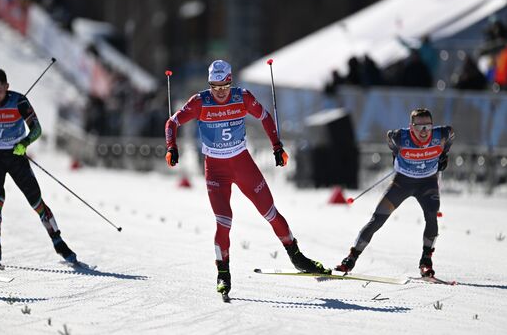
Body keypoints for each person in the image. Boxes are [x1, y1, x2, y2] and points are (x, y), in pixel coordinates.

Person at [164, 60, 329, 297]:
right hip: (216, 170)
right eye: (215, 87)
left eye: (224, 86)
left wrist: (277, 147)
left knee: (270, 212)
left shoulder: (242, 97)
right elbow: (172, 122)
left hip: (243, 165)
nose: (220, 92)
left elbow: (265, 117)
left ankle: (297, 256)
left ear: (231, 81)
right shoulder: (200, 101)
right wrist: (172, 147)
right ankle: (223, 273)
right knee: (224, 222)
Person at [0, 69, 77, 266]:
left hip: (16, 155)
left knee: (35, 200)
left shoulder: (19, 102)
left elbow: (37, 129)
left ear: (7, 86)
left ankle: (58, 241)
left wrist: (25, 143)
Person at [336, 108, 454, 278]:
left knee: (431, 215)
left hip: (427, 183)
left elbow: (450, 135)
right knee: (377, 219)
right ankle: (351, 258)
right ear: (410, 127)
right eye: (419, 126)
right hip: (402, 183)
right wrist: (395, 155)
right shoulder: (400, 137)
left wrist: (444, 154)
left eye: (427, 126)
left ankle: (426, 261)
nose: (423, 131)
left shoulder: (441, 134)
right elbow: (390, 139)